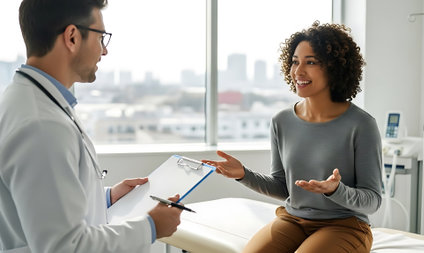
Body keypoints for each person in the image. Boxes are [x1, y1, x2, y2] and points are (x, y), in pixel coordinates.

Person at [0, 0, 182, 252]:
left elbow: (40, 205)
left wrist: (106, 198)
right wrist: (151, 227)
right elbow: (65, 246)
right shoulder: (42, 125)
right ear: (72, 37)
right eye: (101, 38)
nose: (104, 51)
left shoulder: (30, 102)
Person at [202, 21, 382, 253]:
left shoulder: (361, 125)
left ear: (334, 67)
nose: (298, 71)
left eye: (311, 62)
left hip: (346, 225)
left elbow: (373, 200)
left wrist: (335, 190)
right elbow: (283, 187)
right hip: (293, 220)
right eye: (295, 61)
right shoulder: (282, 121)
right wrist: (243, 175)